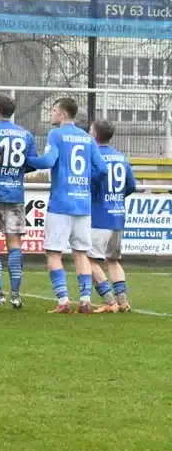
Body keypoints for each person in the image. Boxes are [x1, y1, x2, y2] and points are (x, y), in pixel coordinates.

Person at [25, 97, 108, 313]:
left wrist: (29, 159)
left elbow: (48, 161)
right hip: (82, 203)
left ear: (62, 114)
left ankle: (63, 301)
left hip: (61, 204)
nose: (51, 114)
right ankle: (85, 300)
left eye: (53, 110)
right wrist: (85, 180)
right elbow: (103, 168)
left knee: (53, 253)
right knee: (81, 253)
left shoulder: (56, 134)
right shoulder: (88, 139)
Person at [0, 94, 37, 309]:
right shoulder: (26, 135)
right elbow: (30, 163)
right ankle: (15, 294)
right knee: (14, 244)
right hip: (16, 194)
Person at [88, 119, 136, 313]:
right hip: (117, 216)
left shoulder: (94, 157)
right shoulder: (121, 158)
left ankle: (109, 301)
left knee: (89, 260)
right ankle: (123, 301)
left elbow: (90, 185)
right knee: (113, 260)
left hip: (99, 217)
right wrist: (115, 198)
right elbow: (131, 186)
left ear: (94, 135)